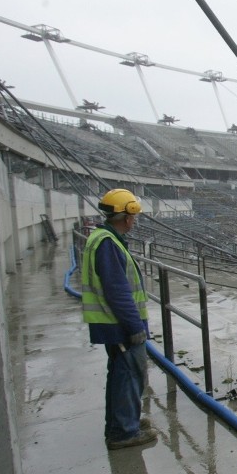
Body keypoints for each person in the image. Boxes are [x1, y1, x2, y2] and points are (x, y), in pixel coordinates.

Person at [81, 188, 156, 450]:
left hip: (111, 323)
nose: (134, 222)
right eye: (133, 216)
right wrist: (135, 327)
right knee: (130, 376)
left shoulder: (102, 238)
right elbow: (118, 291)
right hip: (120, 325)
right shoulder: (108, 244)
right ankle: (125, 432)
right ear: (126, 217)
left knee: (119, 376)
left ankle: (122, 424)